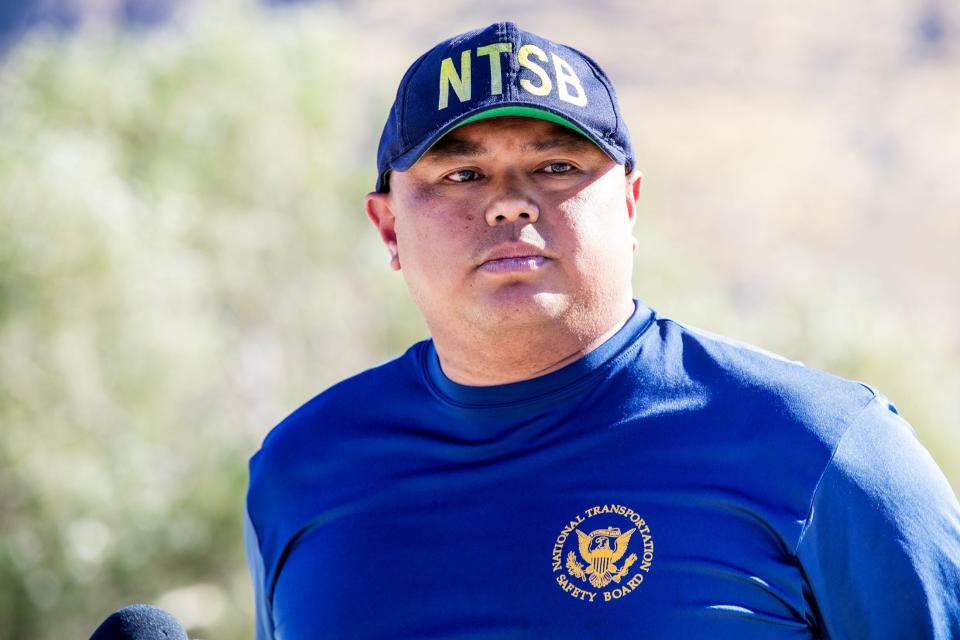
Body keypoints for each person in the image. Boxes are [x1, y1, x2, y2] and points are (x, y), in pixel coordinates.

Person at [244, 22, 960, 639]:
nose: (509, 205)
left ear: (630, 203)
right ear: (389, 225)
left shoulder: (823, 450)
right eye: (462, 175)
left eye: (556, 166)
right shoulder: (300, 471)